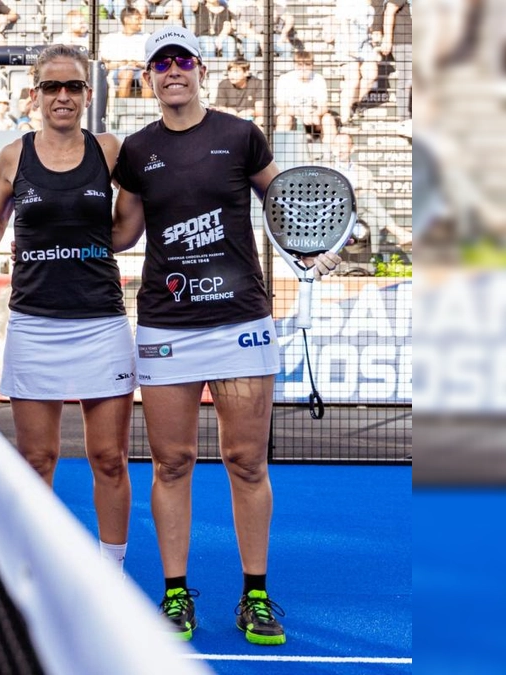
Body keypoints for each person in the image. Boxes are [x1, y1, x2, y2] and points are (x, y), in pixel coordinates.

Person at [111, 27, 342, 646]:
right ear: (149, 77)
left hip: (240, 321)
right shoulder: (136, 150)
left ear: (201, 69)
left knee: (246, 460)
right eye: (160, 63)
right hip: (166, 324)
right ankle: (176, 594)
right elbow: (123, 233)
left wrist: (316, 248)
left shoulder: (240, 135)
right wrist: (57, 220)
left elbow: (285, 203)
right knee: (172, 462)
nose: (172, 71)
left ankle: (256, 596)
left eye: (182, 59)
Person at [0, 44, 136, 579]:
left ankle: (112, 574)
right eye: (52, 87)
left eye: (73, 87)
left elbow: (127, 226)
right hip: (34, 325)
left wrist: (97, 246)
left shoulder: (110, 150)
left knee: (109, 458)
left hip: (101, 323)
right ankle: (37, 568)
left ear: (87, 94)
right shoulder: (13, 156)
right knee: (37, 461)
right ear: (34, 95)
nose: (62, 96)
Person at [274, 50, 338, 150]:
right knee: (284, 119)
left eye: (307, 64)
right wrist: (302, 114)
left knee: (328, 119)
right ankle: (279, 152)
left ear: (312, 65)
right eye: (299, 64)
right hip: (292, 116)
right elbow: (282, 106)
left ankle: (329, 154)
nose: (303, 68)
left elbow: (323, 106)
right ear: (294, 65)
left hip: (313, 118)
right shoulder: (285, 79)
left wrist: (315, 114)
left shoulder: (318, 79)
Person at [212, 58, 264, 126]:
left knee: (261, 120)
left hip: (251, 119)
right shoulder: (223, 84)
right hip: (230, 118)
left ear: (246, 73)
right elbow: (219, 108)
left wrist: (250, 112)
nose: (231, 75)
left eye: (235, 72)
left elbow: (261, 110)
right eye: (230, 71)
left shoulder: (257, 83)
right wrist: (227, 110)